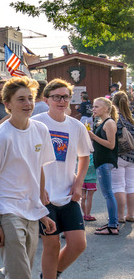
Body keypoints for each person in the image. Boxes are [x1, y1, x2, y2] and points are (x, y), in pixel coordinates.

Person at [0, 77, 57, 279]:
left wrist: (41, 211)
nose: (28, 104)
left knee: (16, 271)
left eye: (30, 98)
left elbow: (37, 169)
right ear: (8, 105)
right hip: (8, 210)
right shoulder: (2, 136)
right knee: (21, 275)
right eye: (21, 99)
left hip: (31, 211)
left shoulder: (41, 130)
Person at [31, 79, 91, 279]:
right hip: (44, 196)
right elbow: (29, 158)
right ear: (46, 99)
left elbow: (84, 156)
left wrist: (78, 184)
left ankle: (50, 275)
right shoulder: (36, 123)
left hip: (68, 193)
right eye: (56, 96)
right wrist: (39, 188)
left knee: (78, 244)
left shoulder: (77, 126)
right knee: (52, 244)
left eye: (65, 97)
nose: (61, 101)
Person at [89, 96, 119, 235]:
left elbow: (111, 145)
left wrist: (93, 136)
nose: (93, 109)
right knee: (107, 193)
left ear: (106, 108)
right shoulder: (103, 122)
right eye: (93, 106)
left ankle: (113, 225)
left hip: (105, 161)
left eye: (96, 106)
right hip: (101, 161)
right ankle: (112, 223)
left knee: (108, 194)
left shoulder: (109, 123)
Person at [111, 91, 134, 224]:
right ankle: (131, 214)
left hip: (119, 155)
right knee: (131, 185)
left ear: (113, 102)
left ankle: (119, 216)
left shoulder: (115, 119)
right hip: (132, 155)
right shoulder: (131, 118)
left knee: (118, 185)